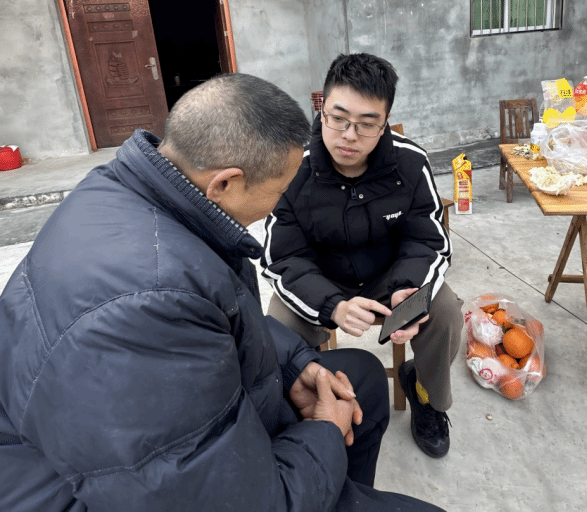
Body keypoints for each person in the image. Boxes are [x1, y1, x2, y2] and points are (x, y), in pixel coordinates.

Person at [0, 74, 444, 512]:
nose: (349, 135)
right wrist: (326, 431)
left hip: (168, 433)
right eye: (278, 192)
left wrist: (295, 365)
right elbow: (235, 499)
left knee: (359, 378)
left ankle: (340, 485)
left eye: (367, 123)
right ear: (225, 183)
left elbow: (219, 315)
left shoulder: (123, 191)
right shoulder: (148, 306)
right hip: (106, 488)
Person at [262, 53, 464, 459]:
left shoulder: (410, 163)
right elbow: (283, 258)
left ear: (384, 123)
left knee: (444, 312)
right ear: (322, 111)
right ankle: (302, 407)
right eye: (338, 118)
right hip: (322, 281)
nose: (349, 135)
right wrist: (332, 306)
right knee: (276, 330)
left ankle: (426, 394)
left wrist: (409, 289)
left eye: (367, 124)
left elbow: (427, 241)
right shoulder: (292, 167)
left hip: (390, 280)